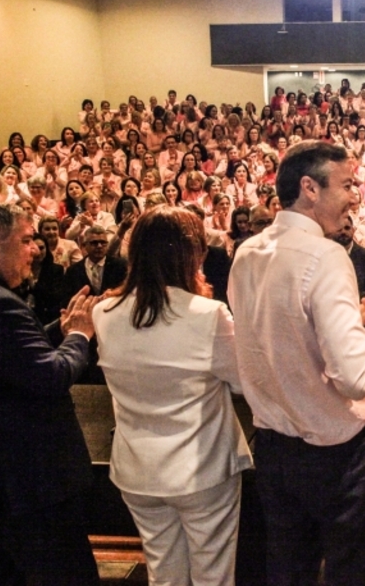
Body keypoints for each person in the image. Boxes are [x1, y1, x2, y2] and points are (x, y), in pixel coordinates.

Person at [229, 141, 365, 586]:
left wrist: (360, 315)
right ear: (309, 188)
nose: (356, 196)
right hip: (336, 458)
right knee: (351, 573)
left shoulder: (248, 252)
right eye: (347, 185)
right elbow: (355, 377)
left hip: (273, 450)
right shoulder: (326, 255)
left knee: (289, 571)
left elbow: (284, 332)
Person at [94, 206, 253, 585]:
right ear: (192, 255)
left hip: (138, 469)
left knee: (165, 574)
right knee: (212, 575)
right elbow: (242, 383)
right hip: (201, 470)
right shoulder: (208, 314)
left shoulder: (104, 311)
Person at [0, 202, 100, 584]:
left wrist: (57, 331)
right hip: (29, 485)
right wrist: (80, 335)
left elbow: (2, 360)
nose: (35, 250)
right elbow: (49, 376)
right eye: (27, 240)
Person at [61, 225, 129, 305]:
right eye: (94, 243)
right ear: (84, 245)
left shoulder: (121, 266)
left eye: (103, 242)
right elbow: (67, 299)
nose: (99, 246)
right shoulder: (73, 271)